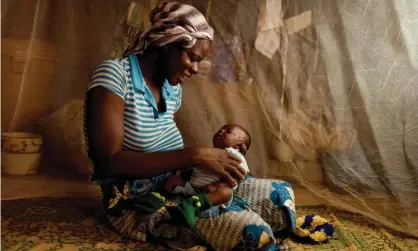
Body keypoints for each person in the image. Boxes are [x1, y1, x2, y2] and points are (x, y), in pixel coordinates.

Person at [84, 2, 296, 250]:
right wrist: (193, 155)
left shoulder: (172, 88)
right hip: (139, 196)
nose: (195, 69)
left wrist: (209, 173)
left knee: (280, 195)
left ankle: (229, 217)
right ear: (167, 45)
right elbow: (108, 162)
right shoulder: (114, 75)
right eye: (192, 58)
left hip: (183, 182)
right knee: (253, 233)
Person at [163, 124, 252, 227]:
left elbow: (237, 176)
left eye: (228, 131)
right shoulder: (210, 151)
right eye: (221, 129)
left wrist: (217, 185)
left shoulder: (235, 156)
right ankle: (164, 198)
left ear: (239, 146)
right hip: (192, 188)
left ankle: (193, 205)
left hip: (211, 193)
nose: (222, 130)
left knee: (225, 193)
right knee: (172, 180)